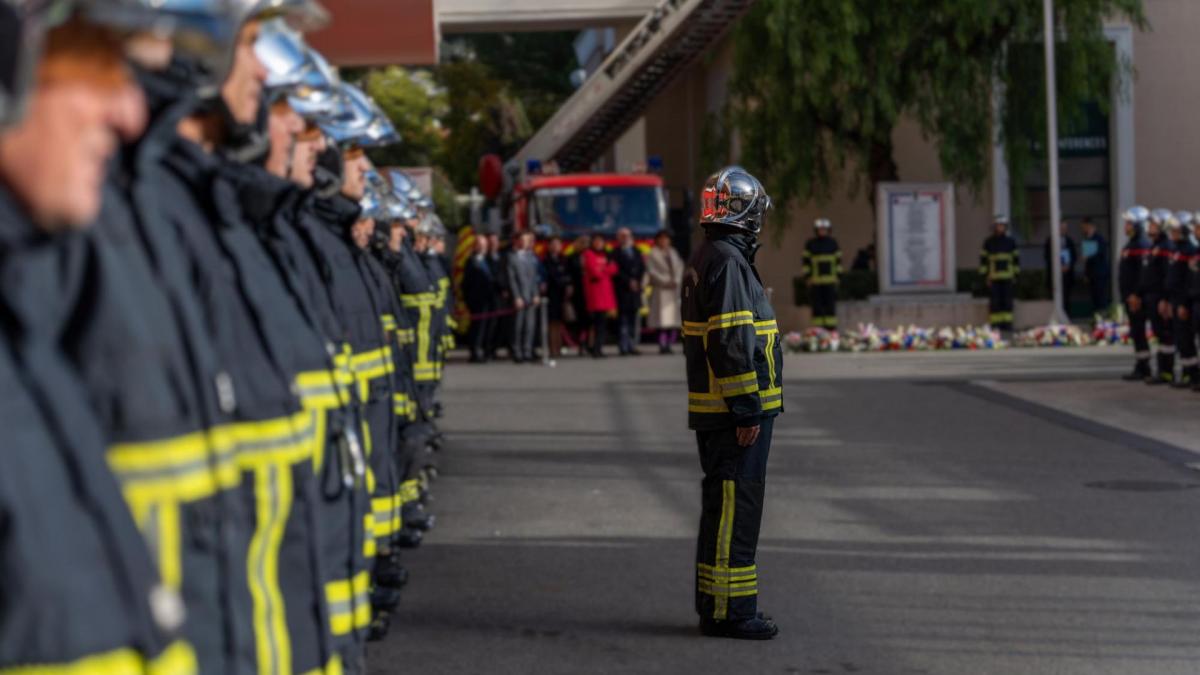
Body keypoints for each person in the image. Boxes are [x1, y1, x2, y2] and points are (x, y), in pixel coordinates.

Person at [682, 166, 782, 640]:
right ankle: (731, 612)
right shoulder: (728, 262)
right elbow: (733, 342)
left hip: (723, 412)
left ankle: (719, 604)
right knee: (734, 512)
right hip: (733, 414)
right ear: (745, 213)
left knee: (724, 510)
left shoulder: (713, 256)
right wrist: (746, 408)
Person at [1120, 206, 1153, 381]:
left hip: (1137, 298)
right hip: (1130, 296)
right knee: (1136, 333)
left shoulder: (1141, 244)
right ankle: (1141, 364)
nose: (1126, 226)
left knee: (1139, 331)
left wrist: (1136, 295)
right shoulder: (1132, 244)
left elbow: (1142, 274)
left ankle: (1144, 366)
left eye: (1129, 223)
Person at [1144, 209, 1177, 384]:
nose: (1150, 227)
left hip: (1161, 298)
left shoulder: (1166, 248)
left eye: (1154, 225)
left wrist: (1165, 300)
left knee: (1166, 335)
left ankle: (1167, 371)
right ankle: (1162, 370)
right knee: (1159, 335)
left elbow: (1167, 276)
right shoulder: (1155, 246)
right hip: (1153, 297)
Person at [1166, 212, 1198, 387]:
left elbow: (1188, 280)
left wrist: (1184, 303)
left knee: (1187, 339)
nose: (1173, 233)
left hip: (1185, 301)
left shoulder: (1189, 251)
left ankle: (1193, 374)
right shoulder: (1176, 250)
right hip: (1178, 300)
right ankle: (1187, 373)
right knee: (1182, 340)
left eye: (1176, 230)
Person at [646, 229, 685, 353]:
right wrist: (666, 280)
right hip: (661, 290)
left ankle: (669, 344)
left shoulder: (673, 252)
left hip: (673, 290)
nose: (664, 241)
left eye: (666, 239)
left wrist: (677, 280)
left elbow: (680, 267)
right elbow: (652, 272)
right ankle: (662, 345)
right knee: (662, 321)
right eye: (661, 239)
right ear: (657, 240)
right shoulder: (653, 253)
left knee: (673, 321)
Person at [979, 215, 1020, 331]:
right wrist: (985, 276)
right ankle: (995, 325)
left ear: (1005, 227)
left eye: (1002, 226)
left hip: (1008, 278)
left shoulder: (1011, 242)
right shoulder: (988, 242)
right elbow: (983, 261)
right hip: (994, 278)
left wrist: (1015, 275)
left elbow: (1016, 260)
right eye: (998, 225)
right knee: (995, 303)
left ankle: (1007, 324)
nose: (1000, 227)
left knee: (1007, 302)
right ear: (995, 227)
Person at [507, 230, 542, 363]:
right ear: (517, 241)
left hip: (530, 296)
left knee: (530, 325)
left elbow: (533, 278)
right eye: (523, 240)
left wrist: (536, 294)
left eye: (527, 240)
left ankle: (527, 351)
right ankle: (517, 351)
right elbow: (512, 279)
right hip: (520, 297)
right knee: (518, 326)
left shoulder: (530, 256)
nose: (526, 243)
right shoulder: (511, 257)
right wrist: (516, 297)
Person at [582, 233, 618, 357]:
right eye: (596, 241)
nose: (598, 244)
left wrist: (602, 269)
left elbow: (614, 269)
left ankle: (598, 347)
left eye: (601, 242)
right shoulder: (588, 254)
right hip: (595, 294)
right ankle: (595, 348)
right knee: (597, 324)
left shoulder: (606, 254)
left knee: (603, 324)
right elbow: (594, 272)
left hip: (606, 294)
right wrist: (606, 269)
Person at [803, 218, 842, 330]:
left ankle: (831, 330)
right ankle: (818, 331)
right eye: (820, 229)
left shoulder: (833, 243)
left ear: (828, 230)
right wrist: (808, 277)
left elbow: (838, 262)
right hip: (816, 282)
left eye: (824, 229)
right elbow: (806, 263)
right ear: (816, 230)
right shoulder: (811, 244)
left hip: (830, 281)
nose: (822, 231)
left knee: (830, 307)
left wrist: (838, 277)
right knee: (817, 307)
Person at [463, 233, 497, 362]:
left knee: (488, 327)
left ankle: (486, 350)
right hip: (477, 300)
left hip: (489, 300)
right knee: (478, 328)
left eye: (484, 245)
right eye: (480, 245)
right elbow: (467, 283)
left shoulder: (487, 260)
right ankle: (475, 351)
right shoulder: (471, 261)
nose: (483, 247)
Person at [613, 226, 647, 355]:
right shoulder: (615, 253)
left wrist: (638, 281)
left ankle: (633, 345)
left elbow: (642, 268)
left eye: (627, 235)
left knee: (634, 320)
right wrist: (628, 281)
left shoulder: (637, 251)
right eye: (623, 236)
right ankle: (623, 346)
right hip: (622, 291)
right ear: (618, 238)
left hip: (635, 291)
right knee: (623, 321)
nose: (626, 238)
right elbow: (616, 271)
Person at [543, 235, 574, 358]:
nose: (556, 247)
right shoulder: (546, 260)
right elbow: (552, 276)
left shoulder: (564, 259)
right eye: (553, 244)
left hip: (563, 295)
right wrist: (563, 281)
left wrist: (569, 284)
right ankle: (552, 348)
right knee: (552, 323)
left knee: (560, 322)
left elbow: (569, 274)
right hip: (552, 295)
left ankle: (559, 346)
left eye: (558, 244)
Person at [1044, 220, 1078, 315]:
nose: (1063, 230)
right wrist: (1058, 267)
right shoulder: (1050, 241)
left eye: (1065, 228)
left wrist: (1068, 265)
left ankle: (1067, 316)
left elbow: (1074, 256)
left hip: (1067, 275)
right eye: (1061, 228)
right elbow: (1047, 257)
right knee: (1054, 297)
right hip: (1054, 275)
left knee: (1066, 298)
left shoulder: (1069, 241)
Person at [568, 233, 592, 354]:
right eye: (581, 242)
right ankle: (581, 343)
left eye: (587, 242)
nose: (584, 245)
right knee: (581, 319)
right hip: (578, 291)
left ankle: (590, 343)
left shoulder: (593, 255)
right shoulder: (571, 257)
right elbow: (569, 274)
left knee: (592, 319)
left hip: (592, 292)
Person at [1080, 217, 1111, 313]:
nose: (1084, 230)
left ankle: (1103, 317)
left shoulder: (1099, 239)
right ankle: (1096, 316)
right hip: (1092, 274)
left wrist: (1088, 256)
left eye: (1085, 227)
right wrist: (1086, 273)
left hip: (1100, 273)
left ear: (1091, 227)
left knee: (1101, 297)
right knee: (1094, 298)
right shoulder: (1087, 239)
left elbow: (1100, 254)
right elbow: (1087, 260)